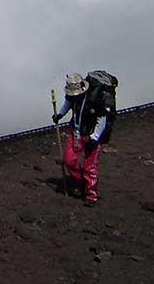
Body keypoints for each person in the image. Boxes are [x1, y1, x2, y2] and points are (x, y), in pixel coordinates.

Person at [52, 73, 109, 207]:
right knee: (68, 160)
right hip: (76, 132)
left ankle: (91, 195)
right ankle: (82, 182)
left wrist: (94, 138)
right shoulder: (72, 97)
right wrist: (60, 114)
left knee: (90, 166)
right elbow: (68, 104)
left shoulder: (94, 99)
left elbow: (102, 119)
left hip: (91, 135)